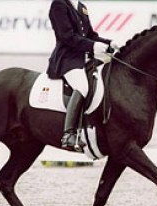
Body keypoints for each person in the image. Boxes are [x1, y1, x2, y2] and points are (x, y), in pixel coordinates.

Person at [46, 0, 117, 152]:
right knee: (82, 86)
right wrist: (93, 46)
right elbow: (67, 36)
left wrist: (109, 43)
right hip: (67, 60)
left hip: (85, 59)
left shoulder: (81, 7)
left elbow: (91, 35)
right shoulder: (58, 4)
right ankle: (69, 134)